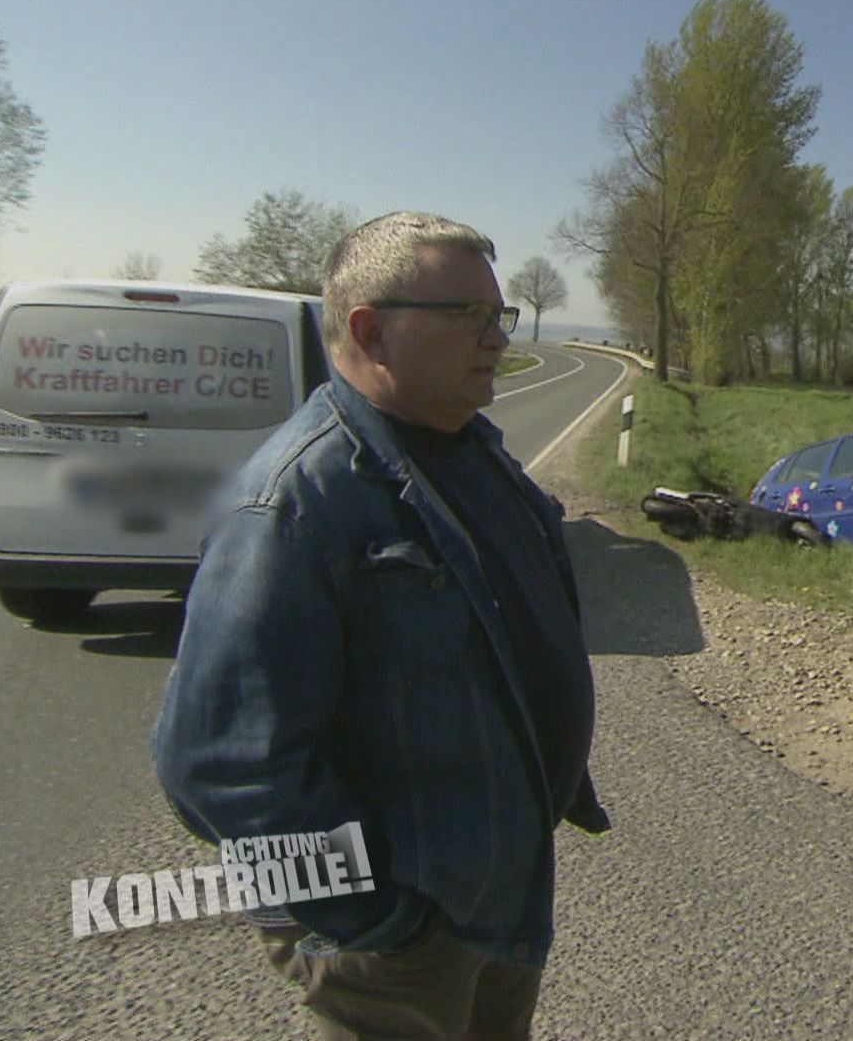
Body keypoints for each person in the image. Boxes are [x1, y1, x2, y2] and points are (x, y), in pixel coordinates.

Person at [153, 211, 607, 1039]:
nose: (496, 338)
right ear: (369, 331)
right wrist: (379, 916)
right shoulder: (293, 506)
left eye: (497, 314)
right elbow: (219, 767)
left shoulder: (470, 449)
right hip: (404, 937)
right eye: (466, 315)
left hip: (496, 900)